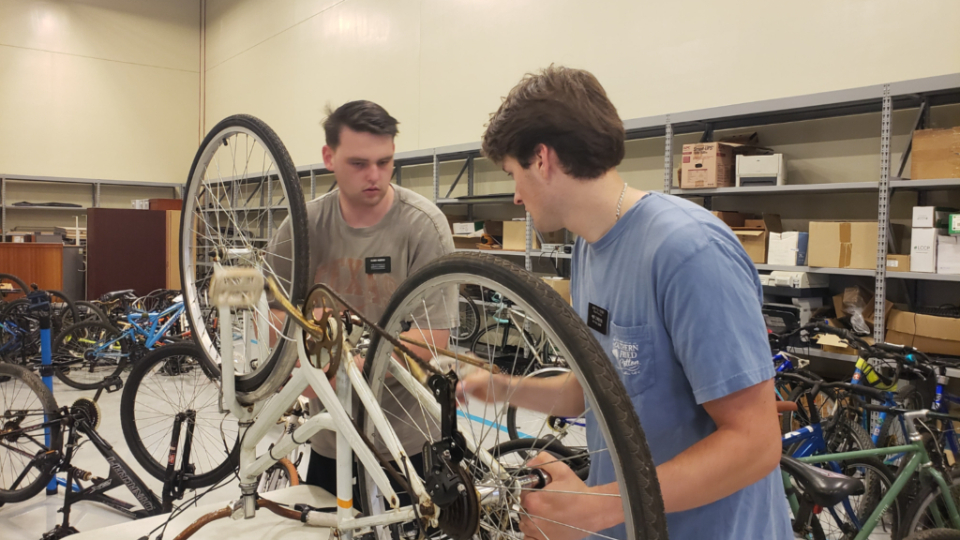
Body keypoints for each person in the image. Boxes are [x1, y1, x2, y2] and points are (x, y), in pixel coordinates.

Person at [459, 66, 791, 540]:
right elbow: (594, 389)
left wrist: (594, 508)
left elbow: (755, 444)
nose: (515, 196)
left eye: (513, 174)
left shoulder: (688, 251)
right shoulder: (588, 248)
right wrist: (501, 388)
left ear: (542, 159)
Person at [266, 100, 455, 509]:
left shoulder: (423, 226)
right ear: (328, 157)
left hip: (408, 442)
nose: (374, 176)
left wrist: (346, 371)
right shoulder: (301, 228)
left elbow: (431, 339)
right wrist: (307, 366)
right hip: (329, 438)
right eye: (358, 163)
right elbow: (278, 317)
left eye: (384, 162)